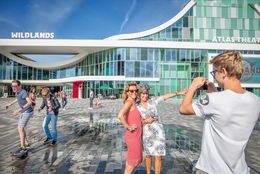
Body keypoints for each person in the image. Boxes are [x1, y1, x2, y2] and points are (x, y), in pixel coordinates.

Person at [179, 51, 260, 174]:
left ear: (224, 72)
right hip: (241, 170)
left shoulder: (214, 100)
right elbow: (228, 110)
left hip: (212, 170)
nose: (214, 75)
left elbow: (184, 109)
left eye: (214, 72)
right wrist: (215, 93)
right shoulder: (255, 100)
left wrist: (193, 86)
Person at [137, 83, 186, 174]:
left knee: (158, 156)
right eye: (143, 93)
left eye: (146, 93)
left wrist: (179, 93)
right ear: (139, 95)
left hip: (159, 133)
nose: (145, 95)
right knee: (148, 155)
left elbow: (165, 97)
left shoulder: (153, 101)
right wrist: (146, 121)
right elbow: (137, 123)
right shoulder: (137, 107)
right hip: (147, 133)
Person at [118, 82, 142, 174]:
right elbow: (120, 115)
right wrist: (128, 126)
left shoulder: (133, 102)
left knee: (130, 162)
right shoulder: (129, 102)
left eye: (136, 90)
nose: (134, 92)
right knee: (135, 161)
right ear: (127, 92)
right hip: (133, 136)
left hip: (135, 135)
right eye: (131, 91)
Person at [5, 80, 33, 153]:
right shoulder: (18, 92)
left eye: (15, 86)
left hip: (27, 111)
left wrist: (18, 110)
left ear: (19, 86)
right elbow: (17, 99)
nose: (13, 88)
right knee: (21, 127)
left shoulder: (23, 92)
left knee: (20, 128)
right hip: (24, 111)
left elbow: (30, 102)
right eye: (12, 86)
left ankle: (23, 147)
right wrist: (10, 104)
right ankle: (26, 142)